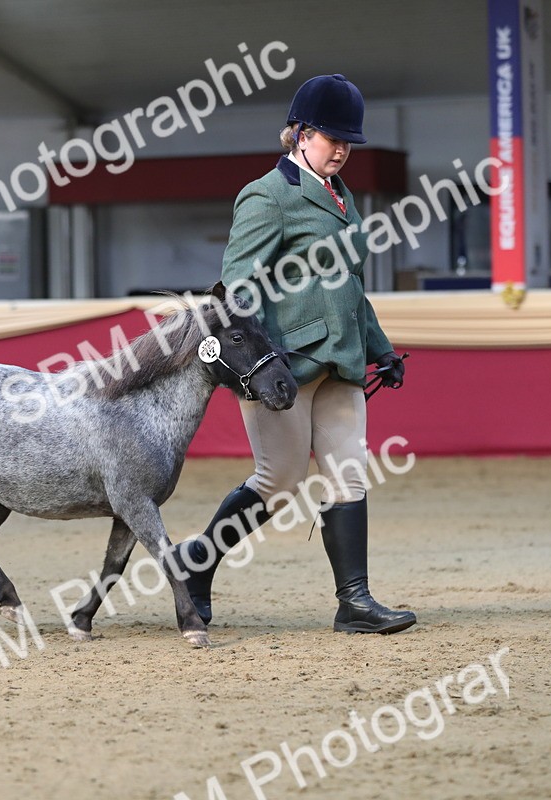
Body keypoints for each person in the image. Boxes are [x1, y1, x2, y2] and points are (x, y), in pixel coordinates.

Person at [172, 74, 416, 635]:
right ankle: (194, 565)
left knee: (349, 475)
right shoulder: (269, 195)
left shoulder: (341, 196)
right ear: (301, 135)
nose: (343, 149)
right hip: (283, 367)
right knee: (278, 482)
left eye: (349, 140)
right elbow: (237, 288)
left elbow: (350, 287)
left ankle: (354, 603)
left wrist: (381, 349)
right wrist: (260, 363)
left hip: (341, 363)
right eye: (333, 138)